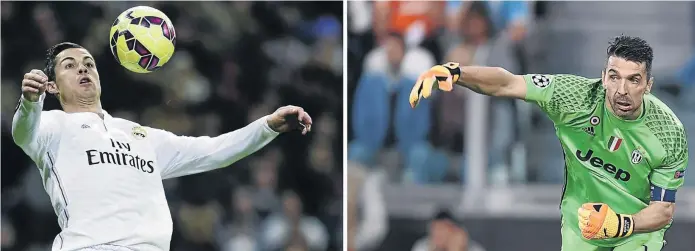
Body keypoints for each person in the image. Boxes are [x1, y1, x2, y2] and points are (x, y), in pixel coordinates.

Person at [12, 42, 313, 251]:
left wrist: (267, 126)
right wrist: (30, 102)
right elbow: (23, 132)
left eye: (89, 64)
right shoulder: (52, 126)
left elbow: (213, 151)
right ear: (52, 85)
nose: (83, 69)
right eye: (70, 65)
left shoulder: (140, 135)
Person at [410, 35, 687, 251]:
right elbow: (507, 83)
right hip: (582, 221)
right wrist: (457, 72)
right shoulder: (573, 97)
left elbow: (663, 210)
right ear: (604, 77)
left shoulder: (668, 132)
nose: (622, 90)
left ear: (648, 85)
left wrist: (623, 224)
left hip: (636, 228)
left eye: (633, 80)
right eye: (614, 77)